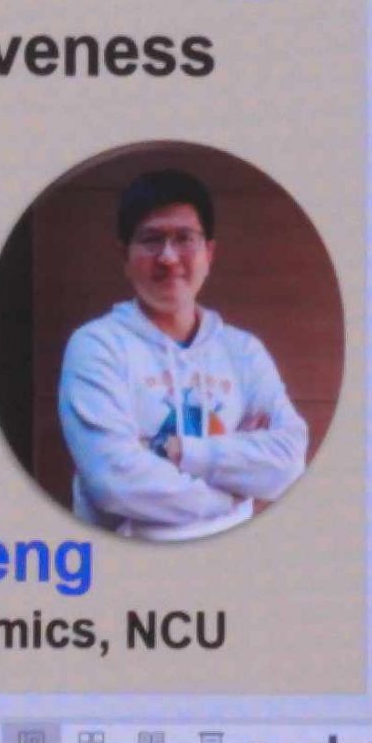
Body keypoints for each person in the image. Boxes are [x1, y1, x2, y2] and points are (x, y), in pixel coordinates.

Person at [55, 167, 309, 541]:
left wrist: (179, 453)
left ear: (209, 253)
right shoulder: (97, 346)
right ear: (125, 256)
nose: (169, 257)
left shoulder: (243, 352)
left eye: (184, 238)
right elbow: (114, 482)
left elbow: (288, 461)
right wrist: (232, 492)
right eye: (151, 240)